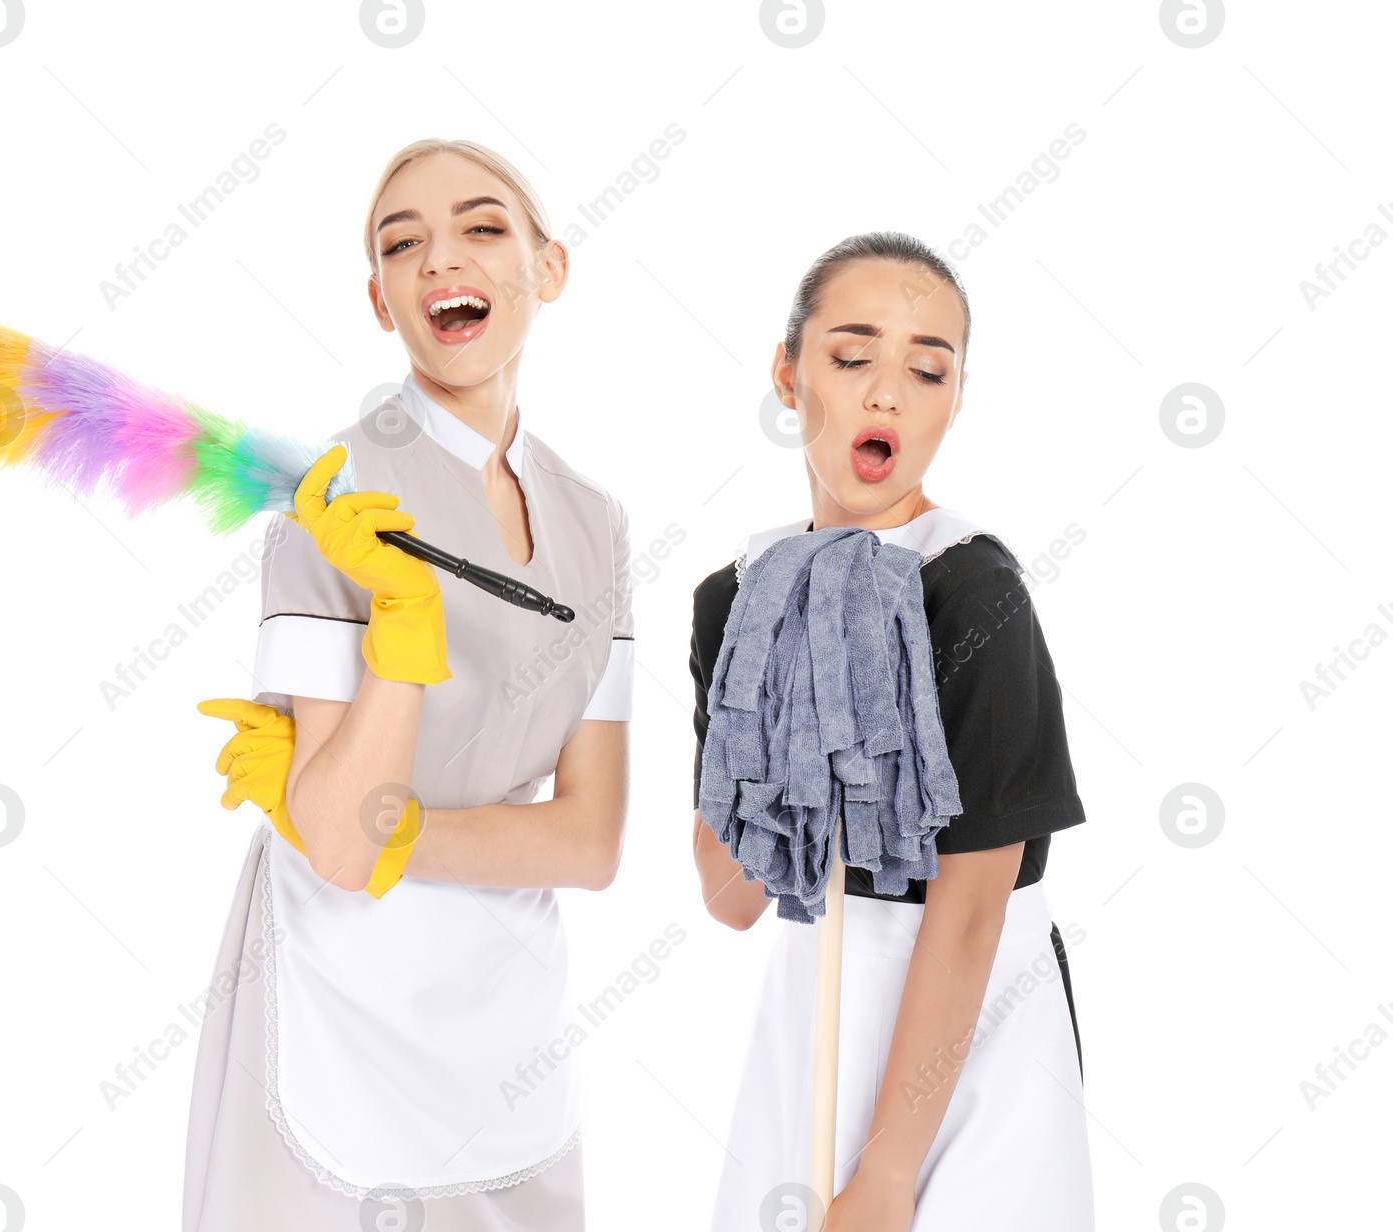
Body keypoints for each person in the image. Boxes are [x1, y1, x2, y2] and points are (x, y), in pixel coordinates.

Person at [183, 138, 634, 1232]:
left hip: (502, 1009)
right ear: (380, 300)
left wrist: (379, 828)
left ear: (550, 266)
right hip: (336, 991)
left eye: (481, 227)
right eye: (401, 244)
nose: (440, 260)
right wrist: (401, 630)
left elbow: (590, 842)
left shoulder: (595, 522)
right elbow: (338, 856)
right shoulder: (335, 499)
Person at [691, 232, 1094, 1231]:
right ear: (788, 376)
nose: (888, 395)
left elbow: (968, 911)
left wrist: (883, 1174)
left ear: (953, 401)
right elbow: (730, 894)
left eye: (927, 368)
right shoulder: (735, 601)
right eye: (850, 354)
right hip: (811, 1012)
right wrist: (786, 745)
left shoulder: (971, 591)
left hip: (971, 1030)